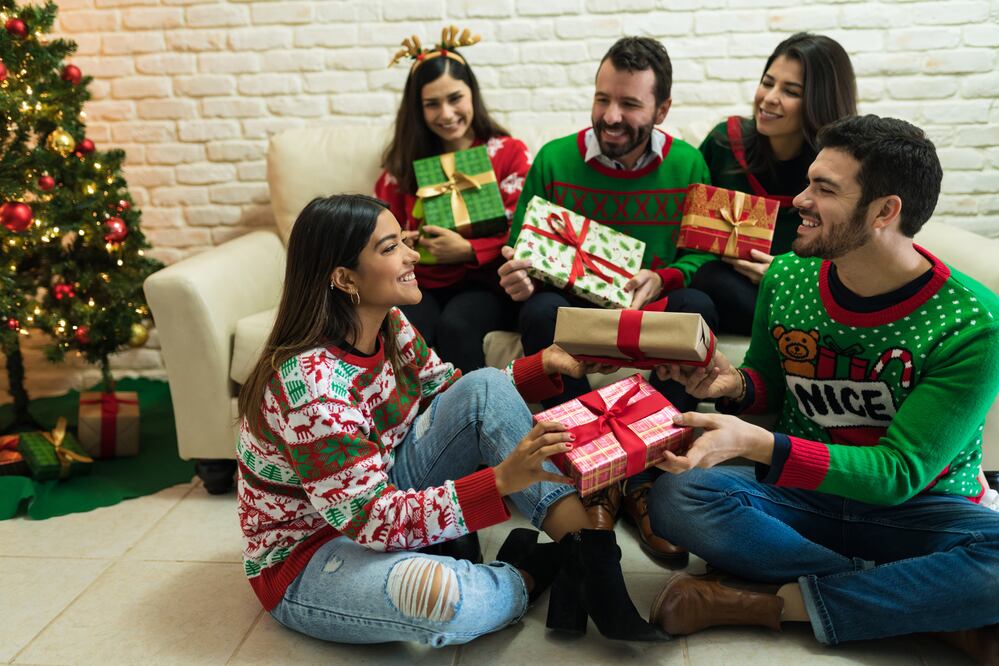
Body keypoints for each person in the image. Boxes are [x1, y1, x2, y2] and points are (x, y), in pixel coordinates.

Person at [235, 194, 666, 647]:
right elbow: (372, 521)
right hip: (311, 554)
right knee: (442, 597)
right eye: (390, 248)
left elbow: (456, 393)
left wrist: (546, 366)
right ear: (344, 278)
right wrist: (498, 481)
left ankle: (591, 564)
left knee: (483, 385)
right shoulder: (312, 389)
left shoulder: (390, 322)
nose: (412, 254)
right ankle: (528, 572)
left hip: (385, 489)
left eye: (404, 239)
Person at [645, 115, 999, 665]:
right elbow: (770, 384)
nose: (798, 200)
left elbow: (898, 474)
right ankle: (919, 604)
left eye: (824, 189)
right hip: (803, 498)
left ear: (885, 211)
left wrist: (757, 446)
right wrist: (732, 384)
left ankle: (770, 604)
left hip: (917, 510)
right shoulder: (787, 278)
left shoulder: (970, 321)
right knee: (678, 496)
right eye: (810, 181)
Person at [496, 36, 718, 562]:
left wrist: (663, 277)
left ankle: (645, 475)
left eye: (630, 104)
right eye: (602, 99)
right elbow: (521, 250)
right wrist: (518, 277)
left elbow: (701, 257)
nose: (610, 116)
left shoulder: (689, 166)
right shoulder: (553, 160)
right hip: (574, 310)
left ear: (663, 109)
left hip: (650, 307)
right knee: (538, 311)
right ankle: (591, 470)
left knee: (701, 307)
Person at [375, 27, 530, 374]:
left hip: (486, 285)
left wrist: (469, 250)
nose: (446, 114)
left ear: (472, 94)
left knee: (457, 325)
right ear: (418, 109)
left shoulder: (507, 153)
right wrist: (401, 242)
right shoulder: (402, 166)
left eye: (455, 98)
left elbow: (526, 232)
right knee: (403, 327)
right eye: (432, 104)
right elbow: (377, 231)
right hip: (420, 282)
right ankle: (410, 421)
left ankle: (477, 416)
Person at [692, 32, 857, 334]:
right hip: (723, 293)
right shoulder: (724, 144)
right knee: (705, 283)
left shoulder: (840, 172)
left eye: (791, 91)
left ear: (820, 103)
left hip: (802, 302)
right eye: (768, 83)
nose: (769, 98)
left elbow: (852, 259)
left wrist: (785, 275)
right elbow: (687, 223)